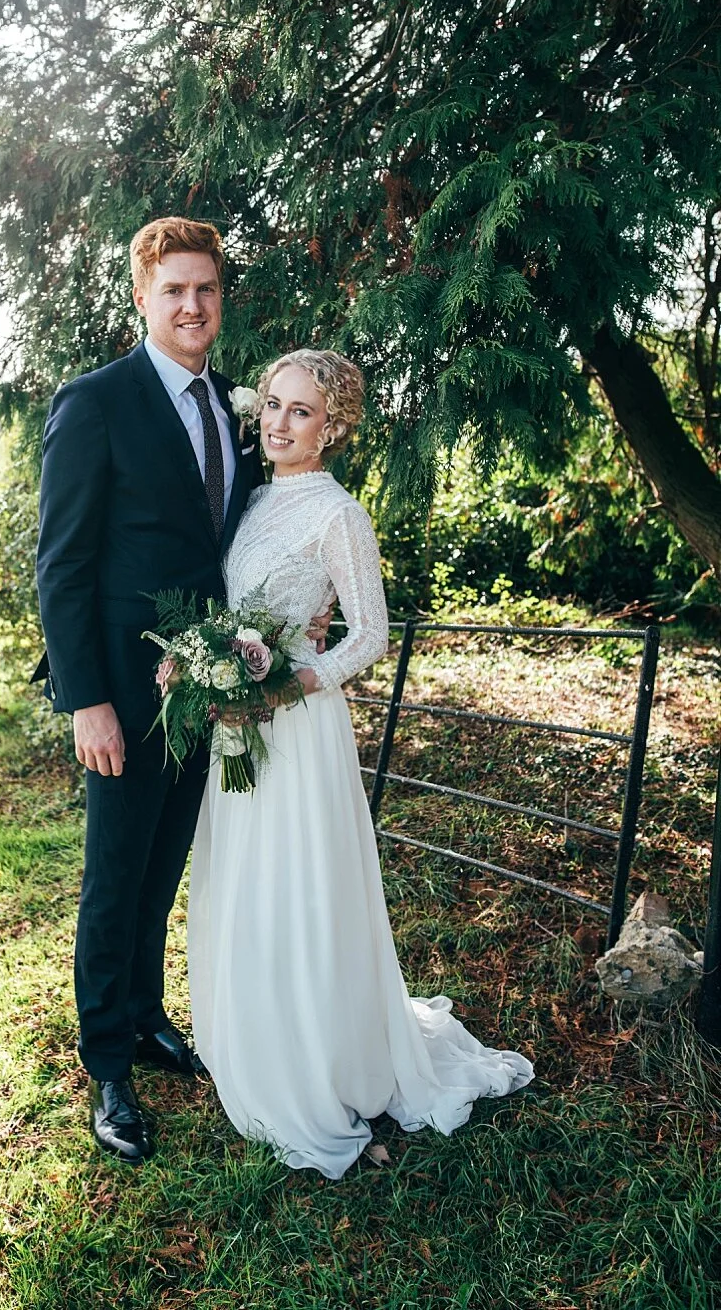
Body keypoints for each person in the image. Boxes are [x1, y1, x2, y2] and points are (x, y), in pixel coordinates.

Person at [187, 349, 534, 1180]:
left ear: (332, 426)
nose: (278, 422)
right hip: (238, 727)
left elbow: (369, 635)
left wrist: (292, 682)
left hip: (297, 729)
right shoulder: (252, 497)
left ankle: (318, 1057)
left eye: (300, 411)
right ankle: (250, 1033)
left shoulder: (339, 514)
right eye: (272, 405)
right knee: (240, 883)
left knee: (299, 888)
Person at [34, 216, 267, 1162]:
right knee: (115, 875)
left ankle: (144, 1014)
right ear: (141, 296)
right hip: (125, 696)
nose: (191, 306)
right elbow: (62, 563)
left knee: (164, 866)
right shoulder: (97, 402)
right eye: (173, 290)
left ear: (221, 299)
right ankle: (107, 1068)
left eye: (205, 290)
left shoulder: (232, 409)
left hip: (206, 687)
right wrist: (87, 697)